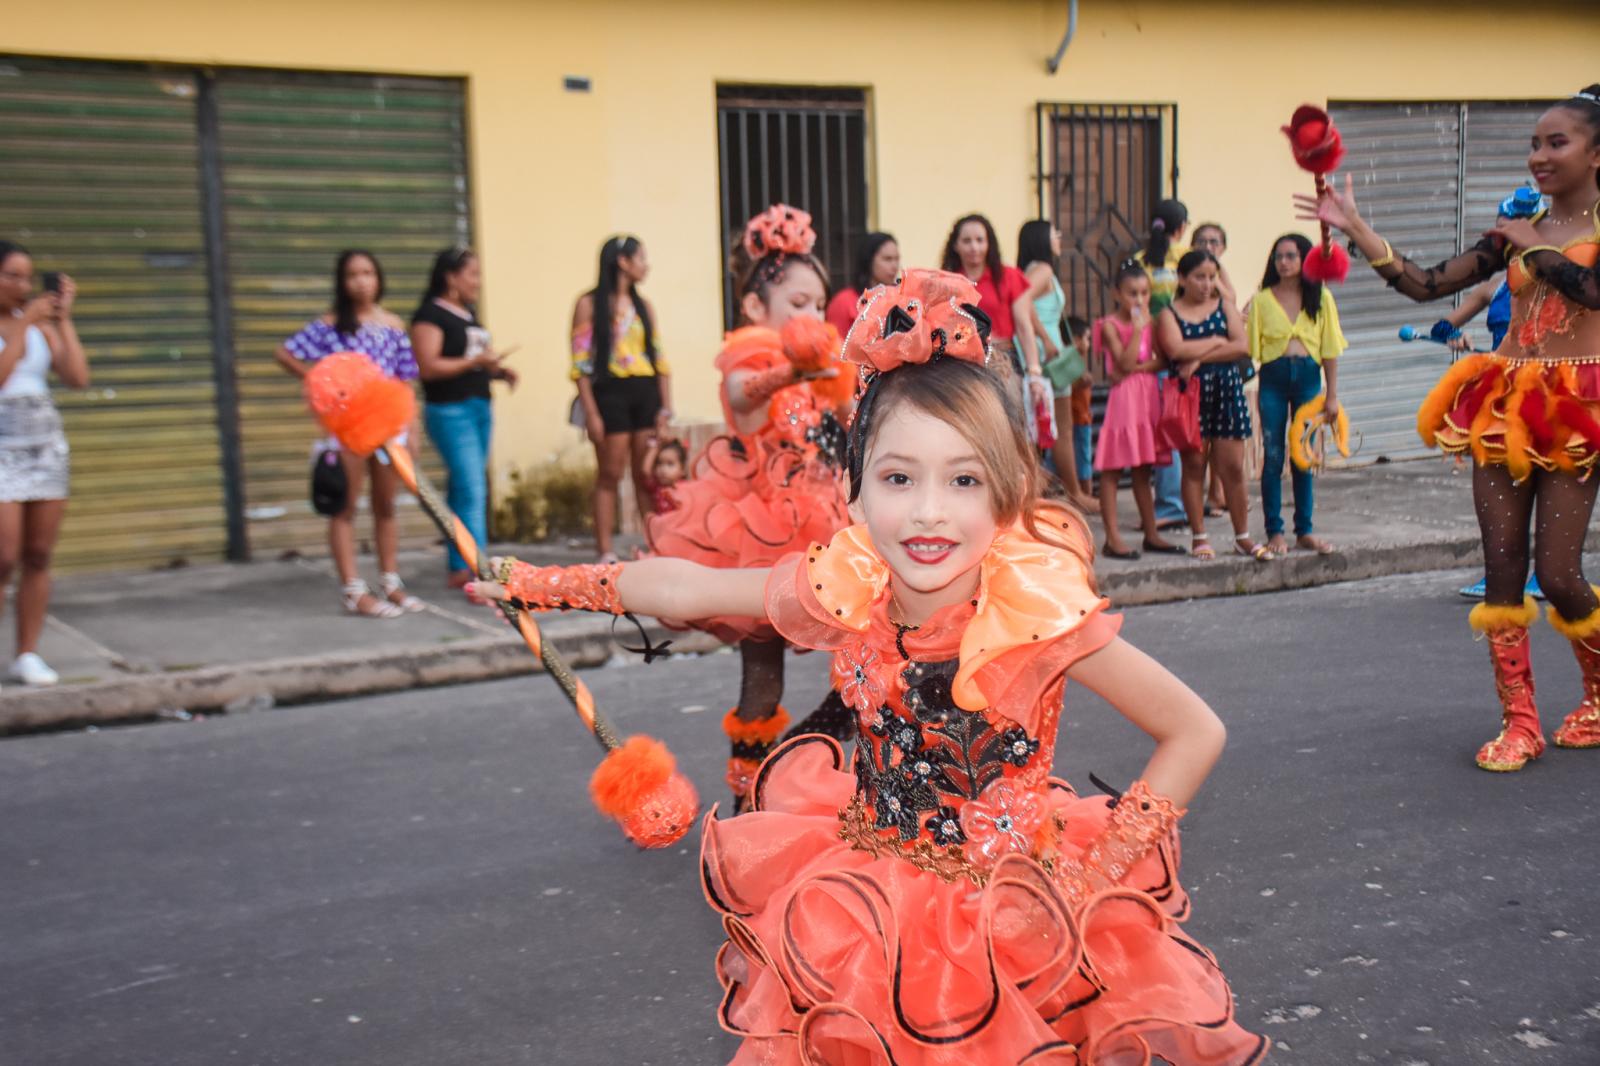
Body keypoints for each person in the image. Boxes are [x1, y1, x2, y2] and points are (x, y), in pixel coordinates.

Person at [470, 269, 1268, 1064]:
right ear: (851, 490)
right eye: (898, 478)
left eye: (964, 479)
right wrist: (540, 586)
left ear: (1012, 488)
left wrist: (1092, 882)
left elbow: (1195, 730)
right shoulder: (847, 586)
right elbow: (690, 584)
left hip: (1012, 923)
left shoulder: (1034, 613)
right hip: (864, 902)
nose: (928, 510)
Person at [1298, 86, 1600, 770]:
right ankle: (1520, 722)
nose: (1539, 156)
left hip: (1580, 408)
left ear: (1596, 154)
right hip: (1504, 404)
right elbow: (1426, 284)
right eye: (1534, 143)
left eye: (1557, 143)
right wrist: (1355, 227)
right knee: (1501, 566)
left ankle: (1598, 690)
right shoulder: (1514, 233)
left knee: (1557, 573)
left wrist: (1539, 251)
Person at [645, 204, 852, 807]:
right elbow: (745, 399)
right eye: (797, 304)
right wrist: (795, 368)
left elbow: (846, 424)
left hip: (827, 518)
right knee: (762, 674)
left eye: (818, 303)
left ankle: (814, 755)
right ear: (758, 309)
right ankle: (746, 800)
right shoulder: (750, 352)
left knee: (873, 650)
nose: (812, 315)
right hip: (758, 527)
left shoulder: (823, 365)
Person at [275, 250, 423, 619]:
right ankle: (354, 590)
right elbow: (286, 353)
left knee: (385, 506)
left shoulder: (392, 325)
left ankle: (391, 581)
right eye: (353, 274)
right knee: (344, 507)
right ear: (342, 281)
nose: (361, 281)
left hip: (390, 430)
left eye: (368, 272)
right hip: (347, 430)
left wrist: (412, 429)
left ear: (379, 278)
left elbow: (404, 381)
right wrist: (319, 385)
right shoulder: (329, 326)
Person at [0, 241, 88, 690]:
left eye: (26, 277)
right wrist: (23, 328)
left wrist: (61, 321)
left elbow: (76, 377)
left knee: (38, 555)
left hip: (44, 447)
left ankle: (27, 653)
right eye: (11, 275)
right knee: (4, 555)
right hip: (2, 449)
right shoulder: (21, 327)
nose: (21, 286)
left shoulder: (38, 325)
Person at [412, 247, 518, 588]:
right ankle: (480, 572)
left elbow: (468, 360)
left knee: (463, 489)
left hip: (478, 407)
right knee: (472, 489)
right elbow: (428, 367)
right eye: (472, 274)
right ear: (451, 277)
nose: (478, 282)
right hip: (450, 411)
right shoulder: (431, 315)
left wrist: (497, 371)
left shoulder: (468, 314)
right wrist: (475, 363)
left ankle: (461, 567)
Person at [1157, 250, 1270, 562]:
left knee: (1233, 467)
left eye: (1212, 277)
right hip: (1189, 396)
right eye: (1199, 277)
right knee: (1194, 466)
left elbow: (1242, 346)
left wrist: (1199, 358)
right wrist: (1218, 343)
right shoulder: (1169, 313)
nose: (1207, 284)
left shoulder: (1224, 307)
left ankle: (1243, 537)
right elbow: (1176, 348)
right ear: (1182, 279)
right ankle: (1199, 536)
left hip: (1226, 390)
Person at [570, 235, 672, 563]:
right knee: (610, 473)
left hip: (645, 391)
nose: (646, 265)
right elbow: (580, 364)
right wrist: (592, 412)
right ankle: (604, 550)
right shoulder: (588, 304)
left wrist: (665, 407)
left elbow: (660, 359)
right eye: (641, 258)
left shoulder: (645, 306)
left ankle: (654, 546)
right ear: (623, 262)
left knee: (646, 474)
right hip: (609, 393)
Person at [1246, 233, 1345, 556]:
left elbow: (1330, 348)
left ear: (1304, 259)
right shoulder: (1262, 300)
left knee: (1303, 455)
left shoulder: (1321, 298)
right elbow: (1249, 348)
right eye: (1278, 257)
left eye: (1290, 256)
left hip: (1308, 378)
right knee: (1273, 455)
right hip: (1273, 378)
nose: (1284, 262)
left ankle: (1305, 530)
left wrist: (1332, 396)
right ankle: (1275, 531)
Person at [1094, 264, 1178, 559]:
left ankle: (1151, 533)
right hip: (1124, 403)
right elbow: (1124, 363)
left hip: (1146, 399)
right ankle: (1112, 538)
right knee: (1113, 469)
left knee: (1144, 468)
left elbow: (1161, 362)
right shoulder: (1109, 325)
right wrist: (1138, 331)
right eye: (1132, 294)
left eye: (1144, 293)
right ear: (1117, 293)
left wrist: (1135, 366)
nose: (1139, 300)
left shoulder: (1152, 324)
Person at [940, 214, 1050, 426]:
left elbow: (1024, 327)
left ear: (989, 243)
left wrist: (1034, 372)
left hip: (1004, 362)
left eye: (980, 240)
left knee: (1010, 426)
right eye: (967, 241)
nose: (974, 247)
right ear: (956, 246)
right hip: (962, 366)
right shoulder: (947, 283)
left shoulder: (1008, 276)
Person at [1019, 220, 1093, 508]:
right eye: (1054, 233)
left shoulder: (1030, 270)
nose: (1059, 237)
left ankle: (1048, 489)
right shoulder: (1044, 269)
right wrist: (1048, 340)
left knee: (1040, 428)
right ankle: (1075, 493)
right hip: (1047, 356)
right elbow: (1022, 302)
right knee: (1063, 428)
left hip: (1036, 355)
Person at [1134, 199, 1192, 529]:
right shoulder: (1186, 259)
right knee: (1176, 429)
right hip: (1185, 355)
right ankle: (1175, 503)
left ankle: (1170, 502)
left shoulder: (1140, 262)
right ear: (1181, 227)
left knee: (1161, 431)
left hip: (1150, 358)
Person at [825, 231, 899, 336]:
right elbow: (836, 347)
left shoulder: (899, 299)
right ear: (869, 260)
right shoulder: (844, 302)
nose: (894, 266)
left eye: (897, 259)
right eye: (887, 259)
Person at [638, 435, 686, 516]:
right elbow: (645, 470)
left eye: (670, 464)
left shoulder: (685, 487)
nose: (663, 469)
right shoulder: (657, 486)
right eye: (659, 463)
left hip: (680, 527)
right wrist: (655, 447)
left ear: (682, 470)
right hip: (662, 527)